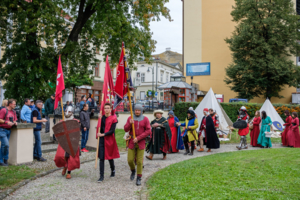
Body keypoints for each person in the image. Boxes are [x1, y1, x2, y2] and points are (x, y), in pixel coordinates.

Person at [124, 104, 151, 186]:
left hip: (141, 142)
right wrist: (129, 123)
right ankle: (133, 170)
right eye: (136, 110)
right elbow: (125, 129)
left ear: (142, 111)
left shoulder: (145, 119)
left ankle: (139, 177)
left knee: (139, 161)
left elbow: (148, 131)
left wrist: (138, 138)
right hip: (132, 141)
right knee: (130, 160)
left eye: (139, 110)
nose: (137, 111)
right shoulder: (130, 118)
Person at [54, 106, 80, 179]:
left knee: (71, 157)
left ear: (72, 112)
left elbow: (77, 132)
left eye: (69, 111)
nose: (67, 113)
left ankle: (69, 172)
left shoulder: (76, 121)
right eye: (66, 111)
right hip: (64, 142)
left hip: (72, 142)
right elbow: (58, 131)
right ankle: (65, 166)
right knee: (61, 156)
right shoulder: (62, 121)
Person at [96, 103, 120, 182]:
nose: (106, 109)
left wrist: (103, 134)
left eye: (108, 108)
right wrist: (99, 119)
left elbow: (112, 131)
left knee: (110, 157)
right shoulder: (101, 118)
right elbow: (99, 127)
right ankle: (101, 176)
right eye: (105, 108)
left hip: (109, 139)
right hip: (102, 140)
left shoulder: (113, 118)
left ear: (110, 109)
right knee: (101, 158)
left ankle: (113, 170)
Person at [0, 99, 17, 166]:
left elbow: (15, 119)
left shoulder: (14, 112)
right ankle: (2, 160)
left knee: (4, 146)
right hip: (2, 130)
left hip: (9, 130)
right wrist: (6, 122)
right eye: (14, 104)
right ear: (10, 104)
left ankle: (4, 160)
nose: (15, 105)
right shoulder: (4, 110)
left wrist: (15, 123)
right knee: (6, 144)